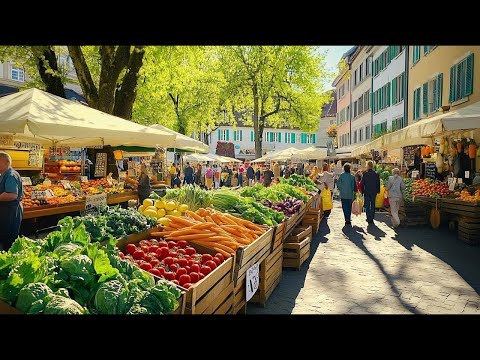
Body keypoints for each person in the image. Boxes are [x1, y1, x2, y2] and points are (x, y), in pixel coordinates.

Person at [0, 152, 23, 251]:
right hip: (7, 210)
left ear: (4, 162)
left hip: (10, 211)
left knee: (9, 238)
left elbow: (12, 194)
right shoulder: (6, 174)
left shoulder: (10, 175)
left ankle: (9, 261)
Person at [360, 160, 380, 224]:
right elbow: (378, 183)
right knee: (373, 204)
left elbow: (362, 183)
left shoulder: (365, 174)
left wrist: (362, 191)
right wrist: (378, 190)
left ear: (367, 166)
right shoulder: (376, 174)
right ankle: (372, 217)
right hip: (374, 191)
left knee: (367, 205)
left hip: (367, 191)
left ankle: (368, 217)